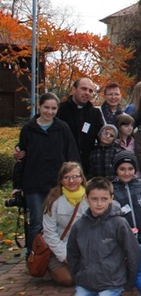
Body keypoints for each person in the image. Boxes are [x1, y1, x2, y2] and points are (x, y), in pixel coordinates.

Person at [67, 177, 141, 296]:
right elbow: (72, 255)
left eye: (104, 199)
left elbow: (133, 254)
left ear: (111, 199)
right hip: (86, 282)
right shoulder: (79, 226)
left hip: (111, 283)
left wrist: (128, 282)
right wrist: (78, 276)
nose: (99, 203)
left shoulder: (119, 223)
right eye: (94, 199)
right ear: (86, 198)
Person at [12, 92, 80, 256]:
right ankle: (34, 255)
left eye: (53, 108)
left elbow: (71, 154)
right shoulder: (29, 129)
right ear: (39, 107)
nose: (50, 112)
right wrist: (17, 185)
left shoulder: (62, 128)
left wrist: (75, 177)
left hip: (57, 184)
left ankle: (54, 255)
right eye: (46, 108)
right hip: (34, 184)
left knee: (57, 221)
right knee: (36, 221)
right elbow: (22, 158)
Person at [41, 162, 89, 286]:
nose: (71, 181)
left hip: (85, 249)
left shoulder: (90, 197)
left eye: (75, 177)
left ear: (81, 178)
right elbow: (49, 232)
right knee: (68, 280)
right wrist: (64, 255)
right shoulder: (53, 200)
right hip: (60, 249)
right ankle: (50, 269)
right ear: (61, 180)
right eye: (66, 177)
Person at [56, 78, 104, 175]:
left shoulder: (95, 113)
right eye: (83, 89)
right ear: (74, 90)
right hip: (62, 164)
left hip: (86, 167)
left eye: (90, 91)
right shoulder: (60, 109)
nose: (87, 93)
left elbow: (102, 137)